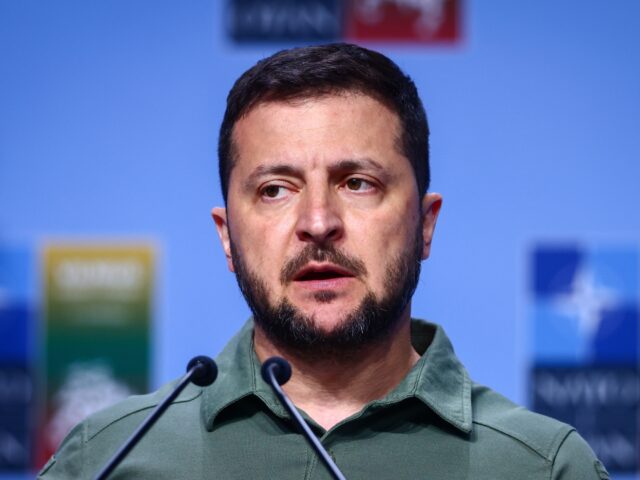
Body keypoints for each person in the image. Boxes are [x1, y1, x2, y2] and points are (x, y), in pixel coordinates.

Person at [38, 43, 609, 479]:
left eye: (357, 183)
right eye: (274, 190)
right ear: (227, 238)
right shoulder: (109, 457)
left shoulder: (539, 466)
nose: (317, 221)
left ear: (425, 223)